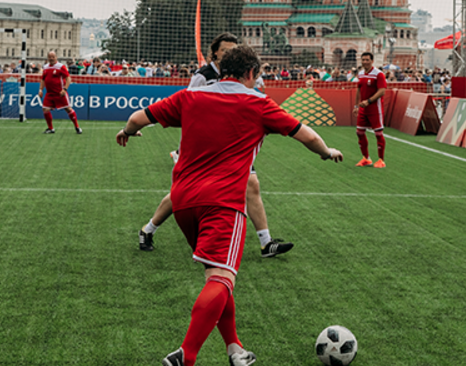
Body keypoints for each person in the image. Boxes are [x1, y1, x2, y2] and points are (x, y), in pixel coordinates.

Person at [116, 45, 343, 366]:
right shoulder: (258, 103)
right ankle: (186, 355)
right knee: (222, 279)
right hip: (222, 201)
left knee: (218, 277)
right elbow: (305, 135)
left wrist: (127, 132)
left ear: (222, 71)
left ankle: (234, 348)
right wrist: (326, 151)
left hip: (182, 202)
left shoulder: (190, 97)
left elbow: (137, 118)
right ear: (251, 73)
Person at [141, 33, 295, 259]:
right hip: (203, 145)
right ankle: (148, 230)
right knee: (184, 193)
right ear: (214, 52)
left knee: (251, 185)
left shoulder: (240, 76)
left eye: (233, 49)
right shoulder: (202, 77)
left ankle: (266, 242)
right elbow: (189, 109)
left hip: (231, 146)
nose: (229, 53)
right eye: (225, 50)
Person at [354, 52, 389, 168]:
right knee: (359, 132)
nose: (365, 62)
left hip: (375, 108)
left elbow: (382, 91)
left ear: (372, 61)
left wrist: (369, 101)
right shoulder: (361, 74)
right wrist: (356, 106)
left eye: (367, 60)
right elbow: (359, 90)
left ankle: (381, 160)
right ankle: (366, 158)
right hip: (363, 109)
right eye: (363, 60)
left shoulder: (379, 74)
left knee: (378, 133)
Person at [40, 51, 81, 134]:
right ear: (47, 57)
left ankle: (77, 127)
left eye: (53, 56)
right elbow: (43, 79)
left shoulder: (61, 66)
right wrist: (40, 90)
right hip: (49, 93)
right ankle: (51, 128)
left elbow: (68, 78)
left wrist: (65, 89)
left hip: (60, 93)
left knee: (68, 109)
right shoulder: (45, 67)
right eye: (50, 57)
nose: (51, 58)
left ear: (56, 57)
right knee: (45, 109)